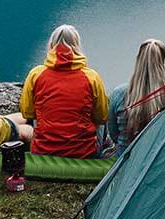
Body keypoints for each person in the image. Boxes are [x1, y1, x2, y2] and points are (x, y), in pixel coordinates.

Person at [20, 25, 108, 158]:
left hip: (43, 150)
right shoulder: (92, 77)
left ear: (51, 45)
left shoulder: (36, 74)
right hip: (84, 152)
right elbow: (102, 117)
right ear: (77, 46)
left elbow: (27, 112)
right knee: (102, 121)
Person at [103, 39, 165, 159]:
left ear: (138, 60)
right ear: (162, 62)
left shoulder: (119, 93)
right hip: (156, 160)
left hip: (125, 159)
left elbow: (113, 134)